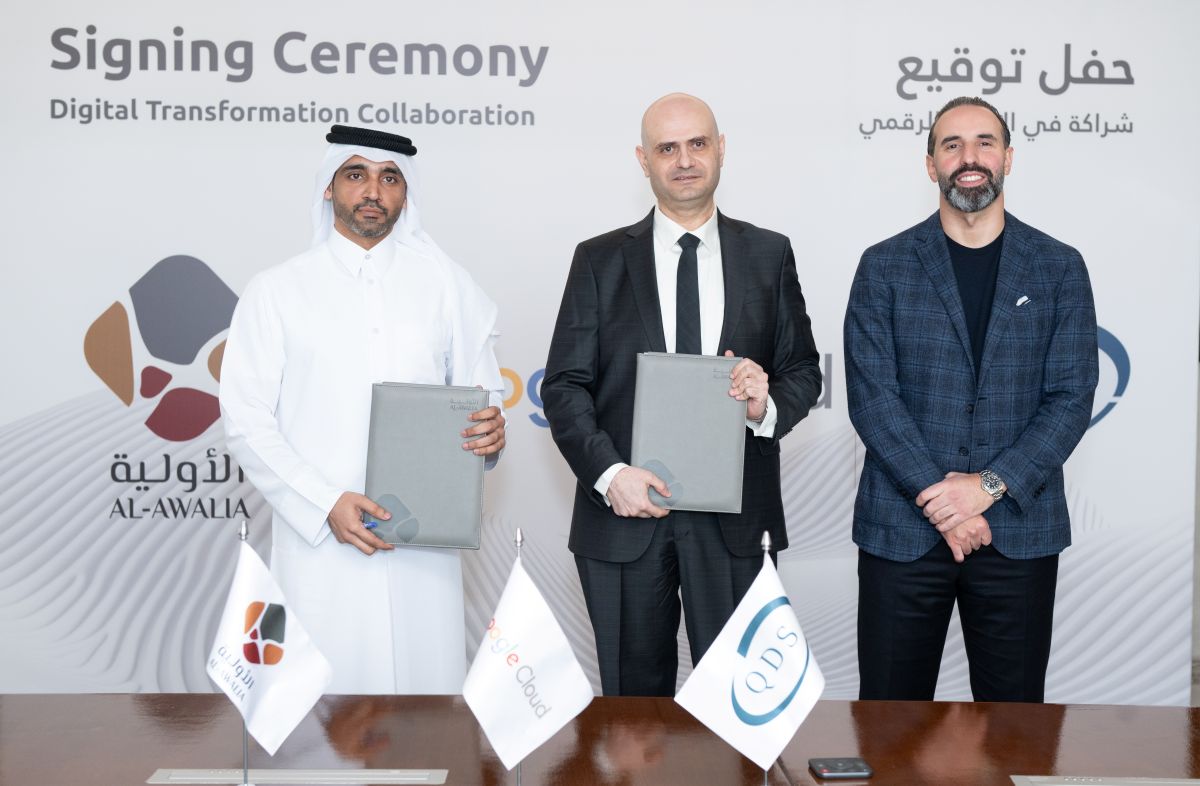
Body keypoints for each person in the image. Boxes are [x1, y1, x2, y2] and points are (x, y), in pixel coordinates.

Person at [541, 93, 822, 696]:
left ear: (721, 149)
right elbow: (564, 386)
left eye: (697, 143)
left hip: (736, 522)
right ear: (643, 160)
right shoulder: (597, 259)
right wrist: (611, 475)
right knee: (634, 719)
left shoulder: (768, 253)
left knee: (740, 707)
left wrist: (765, 405)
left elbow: (803, 370)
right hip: (624, 517)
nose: (685, 160)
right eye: (667, 148)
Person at [219, 125, 506, 694]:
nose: (373, 190)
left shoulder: (448, 287)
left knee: (428, 716)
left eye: (389, 178)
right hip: (322, 550)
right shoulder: (276, 291)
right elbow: (246, 422)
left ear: (406, 192)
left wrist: (490, 434)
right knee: (326, 720)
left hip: (423, 547)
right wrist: (325, 502)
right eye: (357, 175)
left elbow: (482, 398)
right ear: (329, 188)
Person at [844, 96, 1099, 702]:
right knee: (889, 727)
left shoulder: (1059, 267)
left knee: (1015, 728)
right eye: (951, 145)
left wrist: (985, 488)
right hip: (902, 532)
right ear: (930, 164)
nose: (969, 157)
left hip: (1017, 531)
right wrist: (946, 504)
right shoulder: (883, 266)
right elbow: (873, 398)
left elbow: (1070, 397)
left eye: (985, 142)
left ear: (1008, 157)